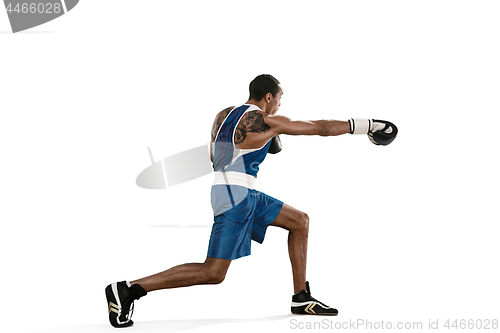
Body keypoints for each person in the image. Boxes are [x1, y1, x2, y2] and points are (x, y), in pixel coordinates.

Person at [105, 74, 397, 328]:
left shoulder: (223, 115)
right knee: (213, 272)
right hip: (236, 198)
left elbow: (215, 155)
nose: (281, 105)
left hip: (234, 191)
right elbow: (318, 127)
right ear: (268, 97)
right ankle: (129, 290)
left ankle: (301, 297)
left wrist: (267, 141)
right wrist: (367, 124)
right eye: (280, 98)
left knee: (300, 221)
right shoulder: (267, 120)